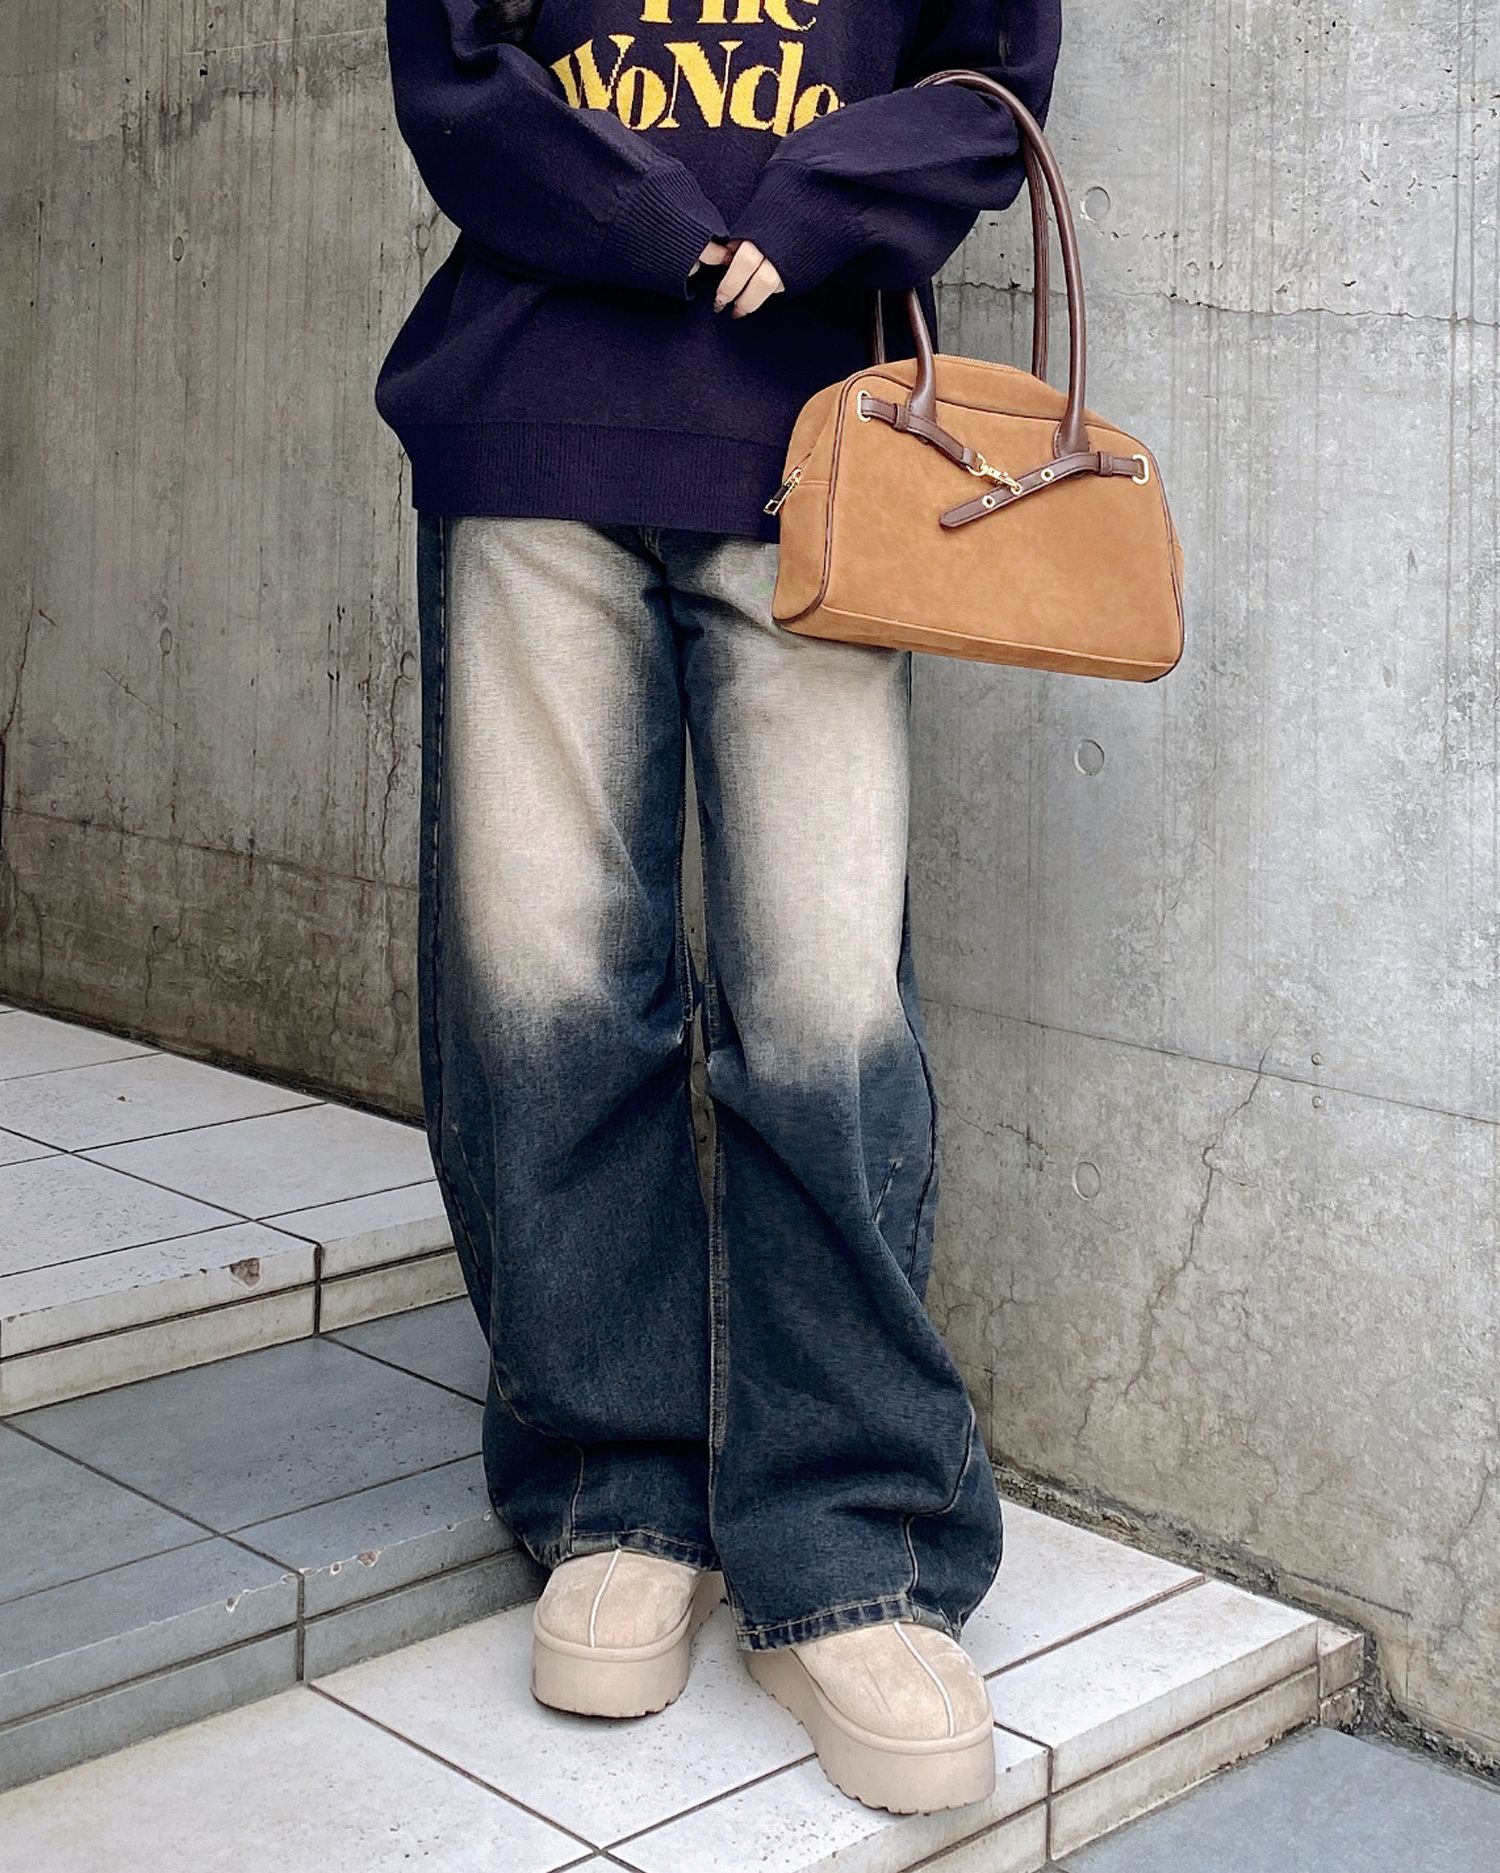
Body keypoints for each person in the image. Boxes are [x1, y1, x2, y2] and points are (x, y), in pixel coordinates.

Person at [378, 0, 1061, 1816]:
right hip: (534, 415)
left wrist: (820, 202)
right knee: (543, 992)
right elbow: (450, 60)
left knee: (827, 1007)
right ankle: (614, 1483)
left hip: (827, 447)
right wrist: (651, 222)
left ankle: (851, 1537)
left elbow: (992, 75)